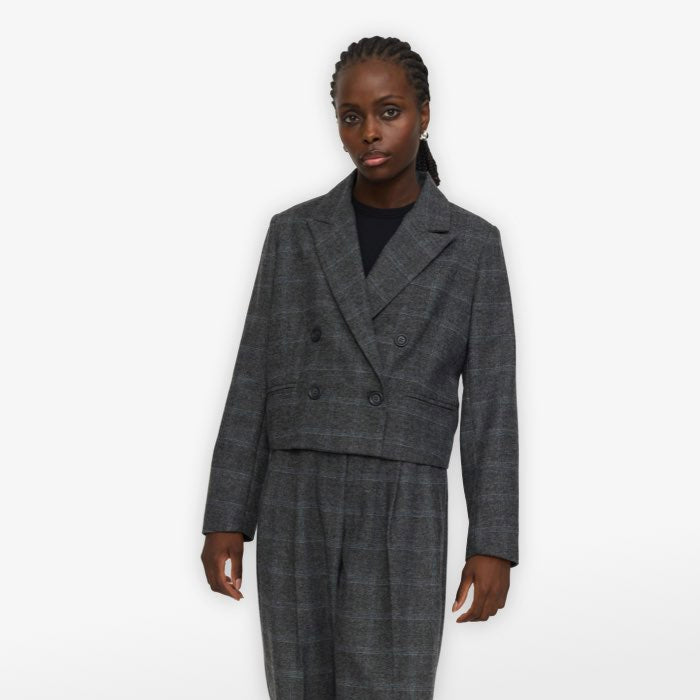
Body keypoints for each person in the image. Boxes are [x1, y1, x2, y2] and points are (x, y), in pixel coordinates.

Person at [201, 35, 519, 699]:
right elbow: (253, 375)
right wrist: (226, 514)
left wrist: (493, 543)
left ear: (424, 115)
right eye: (352, 116)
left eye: (389, 112)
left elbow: (492, 407)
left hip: (402, 496)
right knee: (298, 684)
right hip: (296, 489)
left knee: (392, 685)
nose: (369, 132)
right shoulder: (295, 232)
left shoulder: (471, 244)